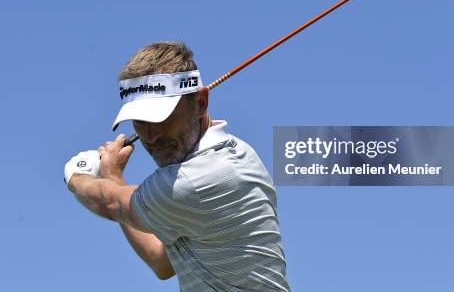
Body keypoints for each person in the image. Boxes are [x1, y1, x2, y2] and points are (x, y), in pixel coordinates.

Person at [64, 42, 290, 291]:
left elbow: (112, 203)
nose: (150, 136)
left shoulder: (197, 179)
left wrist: (78, 176)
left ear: (200, 102)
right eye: (140, 121)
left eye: (162, 117)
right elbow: (162, 262)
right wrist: (112, 174)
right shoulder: (237, 150)